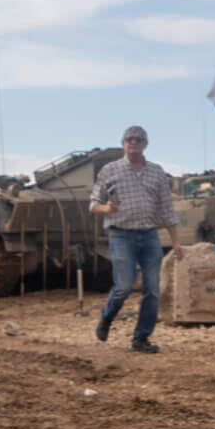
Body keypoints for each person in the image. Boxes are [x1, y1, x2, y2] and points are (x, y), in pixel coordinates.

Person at [91, 125, 179, 354]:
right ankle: (106, 318)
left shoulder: (156, 172)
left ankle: (141, 338)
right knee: (124, 286)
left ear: (145, 144)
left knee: (152, 290)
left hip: (149, 235)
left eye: (139, 139)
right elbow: (93, 205)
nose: (134, 142)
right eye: (129, 139)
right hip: (121, 235)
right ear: (123, 143)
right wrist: (107, 208)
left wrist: (176, 242)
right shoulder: (110, 170)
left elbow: (166, 208)